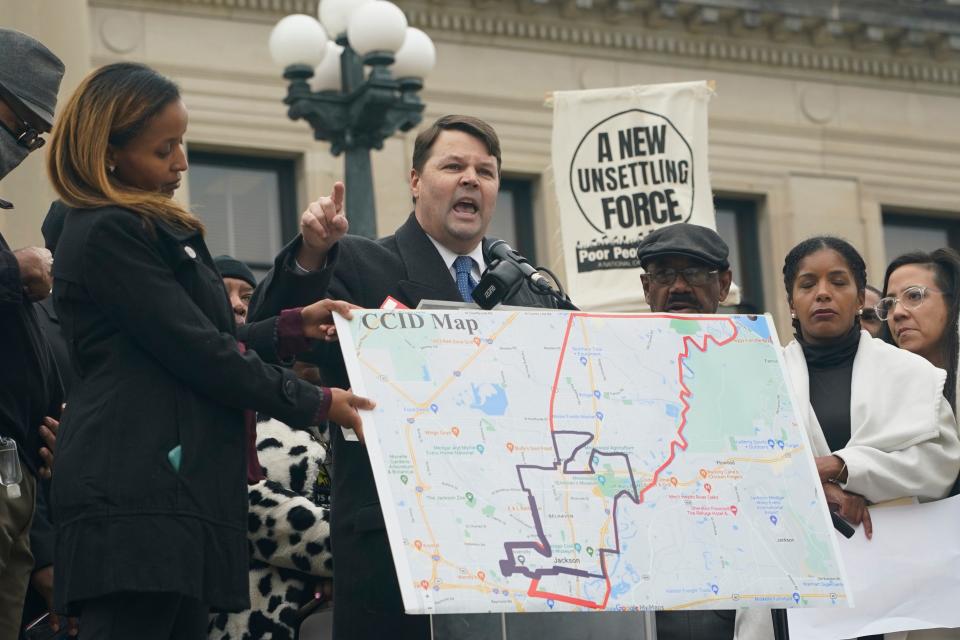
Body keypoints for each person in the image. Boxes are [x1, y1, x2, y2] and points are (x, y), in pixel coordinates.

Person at [46, 62, 373, 640]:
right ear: (110, 152)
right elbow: (198, 352)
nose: (181, 163)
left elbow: (197, 346)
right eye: (163, 149)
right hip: (137, 498)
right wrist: (318, 401)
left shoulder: (139, 228)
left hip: (171, 494)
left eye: (182, 143)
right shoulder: (108, 231)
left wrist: (294, 326)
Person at [249, 115, 560, 640]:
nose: (471, 180)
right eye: (453, 166)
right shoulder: (359, 262)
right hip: (395, 548)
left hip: (512, 546)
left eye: (485, 171)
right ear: (415, 181)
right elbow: (269, 329)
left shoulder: (525, 290)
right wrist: (310, 254)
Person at [734, 236, 960, 640]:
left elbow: (939, 465)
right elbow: (734, 470)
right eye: (807, 285)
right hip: (795, 589)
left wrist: (845, 468)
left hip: (890, 589)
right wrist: (819, 488)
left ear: (860, 298)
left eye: (838, 282)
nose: (823, 293)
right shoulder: (757, 376)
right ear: (791, 302)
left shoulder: (913, 374)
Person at [205, 258, 337, 640]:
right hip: (250, 621)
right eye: (222, 292)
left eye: (246, 295)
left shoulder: (339, 422)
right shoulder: (235, 405)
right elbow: (248, 504)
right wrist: (346, 556)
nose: (238, 304)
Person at [637, 222, 736, 640]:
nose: (677, 287)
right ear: (646, 287)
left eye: (694, 273)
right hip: (645, 590)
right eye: (663, 275)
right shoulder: (609, 370)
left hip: (738, 586)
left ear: (724, 284)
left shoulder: (764, 368)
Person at [0, 28, 65, 638]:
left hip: (17, 474)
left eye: (35, 139)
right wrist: (10, 270)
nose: (23, 148)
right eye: (19, 127)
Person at [879, 249, 960, 412]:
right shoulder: (877, 393)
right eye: (889, 304)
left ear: (952, 304)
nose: (897, 313)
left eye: (914, 296)